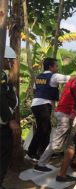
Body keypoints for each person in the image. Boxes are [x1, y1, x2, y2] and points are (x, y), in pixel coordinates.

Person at [33, 67, 76, 173]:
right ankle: (41, 164)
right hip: (65, 113)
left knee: (68, 141)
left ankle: (70, 163)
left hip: (63, 112)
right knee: (56, 142)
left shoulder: (72, 81)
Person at [26, 58, 71, 161]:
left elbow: (35, 89)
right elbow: (70, 78)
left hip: (36, 104)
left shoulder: (39, 77)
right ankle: (31, 153)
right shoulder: (54, 76)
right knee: (42, 129)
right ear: (51, 67)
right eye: (56, 66)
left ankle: (44, 152)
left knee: (46, 129)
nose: (57, 67)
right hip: (43, 105)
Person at [0, 46, 20, 189]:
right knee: (3, 153)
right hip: (2, 122)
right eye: (10, 60)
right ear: (4, 58)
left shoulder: (3, 74)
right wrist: (10, 119)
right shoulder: (1, 75)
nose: (12, 63)